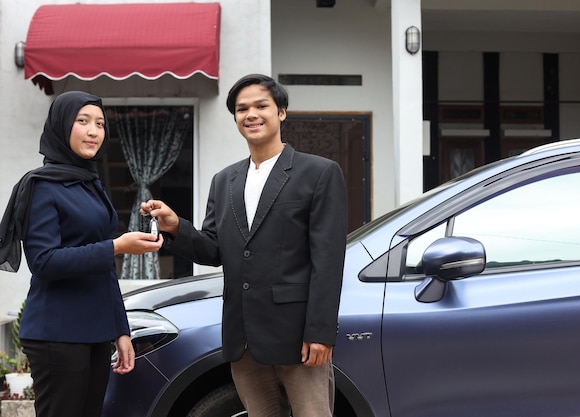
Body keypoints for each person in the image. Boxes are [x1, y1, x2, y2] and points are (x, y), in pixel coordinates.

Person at [141, 74, 347, 417]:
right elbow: (213, 250)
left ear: (281, 112)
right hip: (243, 338)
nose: (251, 114)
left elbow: (328, 259)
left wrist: (321, 332)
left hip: (298, 337)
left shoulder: (319, 173)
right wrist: (176, 226)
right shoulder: (225, 181)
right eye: (241, 109)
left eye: (261, 106)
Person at [0, 91, 163, 417]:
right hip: (57, 331)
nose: (94, 131)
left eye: (100, 123)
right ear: (61, 126)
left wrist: (120, 329)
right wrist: (117, 246)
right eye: (83, 121)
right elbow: (45, 262)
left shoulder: (89, 181)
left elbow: (103, 270)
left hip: (94, 330)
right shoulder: (42, 186)